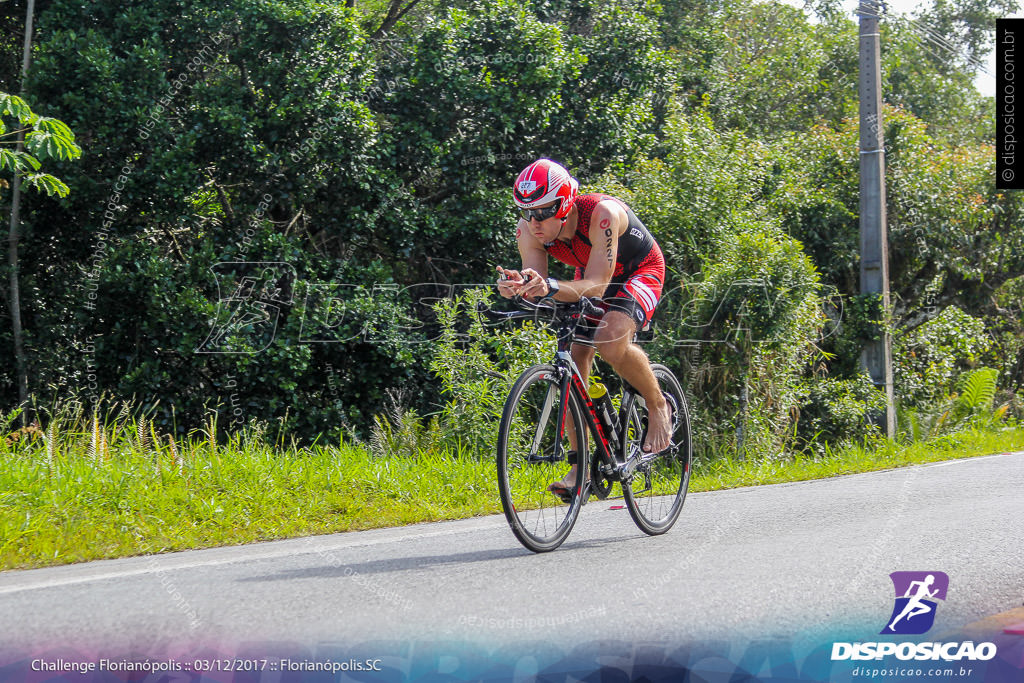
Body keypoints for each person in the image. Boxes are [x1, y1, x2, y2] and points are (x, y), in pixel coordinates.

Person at [495, 158, 671, 500]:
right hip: (590, 275)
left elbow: (598, 284)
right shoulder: (529, 228)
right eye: (525, 211)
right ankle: (581, 466)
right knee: (575, 356)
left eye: (543, 212)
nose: (534, 222)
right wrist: (520, 285)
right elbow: (539, 282)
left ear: (564, 203)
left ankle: (657, 403)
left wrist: (547, 286)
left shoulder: (601, 214)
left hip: (637, 271)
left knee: (610, 341)